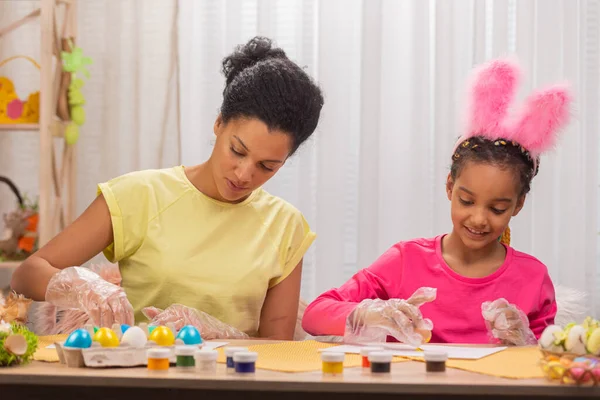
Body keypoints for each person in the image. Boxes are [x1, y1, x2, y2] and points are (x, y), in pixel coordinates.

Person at [11, 36, 324, 340]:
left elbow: (278, 349)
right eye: (237, 151)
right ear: (219, 124)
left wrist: (226, 336)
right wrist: (83, 286)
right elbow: (26, 275)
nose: (244, 174)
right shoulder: (139, 195)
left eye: (267, 166)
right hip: (139, 378)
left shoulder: (285, 226)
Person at [302, 58, 571, 346]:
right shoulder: (405, 261)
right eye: (467, 201)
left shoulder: (532, 277)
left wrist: (526, 344)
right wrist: (368, 315)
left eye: (497, 209)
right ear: (450, 187)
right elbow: (314, 315)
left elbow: (549, 363)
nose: (479, 218)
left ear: (518, 205)